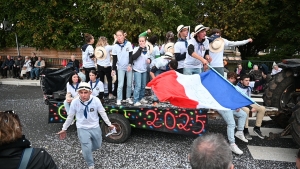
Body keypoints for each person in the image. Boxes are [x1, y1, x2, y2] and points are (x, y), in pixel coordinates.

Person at [57, 82, 115, 169]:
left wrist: (109, 124)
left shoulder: (96, 100)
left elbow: (102, 113)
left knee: (98, 145)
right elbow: (70, 116)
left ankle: (85, 150)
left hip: (95, 126)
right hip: (82, 128)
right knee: (86, 146)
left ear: (90, 92)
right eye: (81, 92)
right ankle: (90, 164)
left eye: (85, 92)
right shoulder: (75, 102)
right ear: (78, 93)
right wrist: (64, 128)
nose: (83, 95)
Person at [217, 72, 248, 155]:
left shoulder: (232, 86)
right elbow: (221, 99)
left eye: (234, 79)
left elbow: (233, 99)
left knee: (243, 114)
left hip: (230, 106)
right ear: (229, 78)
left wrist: (236, 106)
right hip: (223, 107)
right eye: (232, 79)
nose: (234, 80)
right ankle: (232, 144)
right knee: (231, 124)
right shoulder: (222, 86)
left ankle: (239, 132)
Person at [237, 74, 266, 139]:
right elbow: (241, 101)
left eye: (249, 80)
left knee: (262, 108)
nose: (248, 82)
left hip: (248, 103)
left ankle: (257, 128)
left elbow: (259, 83)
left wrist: (264, 77)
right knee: (247, 110)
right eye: (246, 80)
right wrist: (250, 108)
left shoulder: (249, 84)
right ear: (241, 81)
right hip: (240, 104)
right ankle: (245, 130)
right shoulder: (237, 88)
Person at [111, 30, 134, 106]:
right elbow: (114, 59)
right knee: (120, 84)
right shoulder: (115, 46)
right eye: (117, 36)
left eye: (120, 35)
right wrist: (113, 69)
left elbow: (131, 55)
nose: (119, 37)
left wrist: (130, 64)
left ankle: (128, 97)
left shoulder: (128, 44)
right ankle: (119, 99)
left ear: (124, 36)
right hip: (120, 67)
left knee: (129, 84)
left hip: (128, 67)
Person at [130, 35, 151, 106]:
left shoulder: (147, 49)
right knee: (138, 86)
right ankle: (135, 100)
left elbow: (149, 57)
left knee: (143, 86)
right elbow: (134, 57)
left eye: (143, 41)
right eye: (140, 41)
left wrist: (149, 60)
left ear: (145, 42)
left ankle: (141, 98)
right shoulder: (136, 49)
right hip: (137, 69)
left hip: (144, 69)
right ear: (138, 42)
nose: (141, 42)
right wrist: (140, 49)